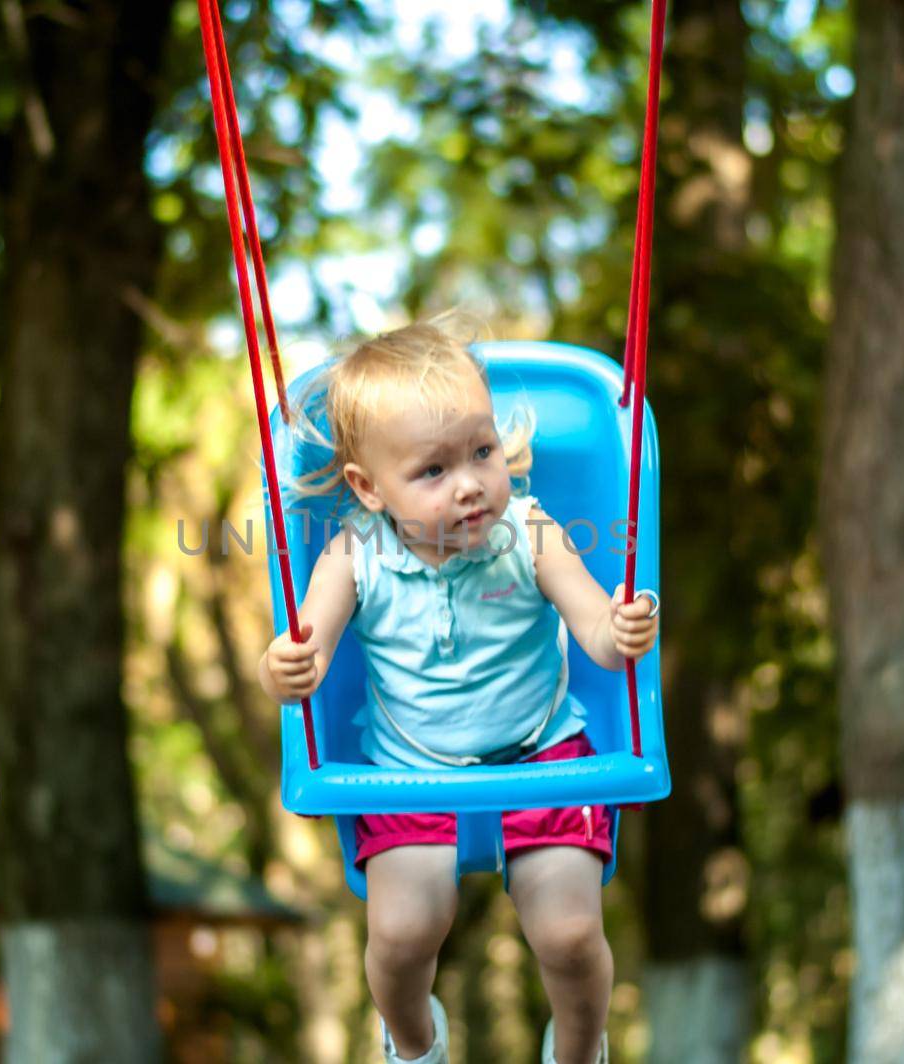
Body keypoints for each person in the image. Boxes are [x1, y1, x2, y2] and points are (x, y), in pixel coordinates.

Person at [257, 316, 659, 1064]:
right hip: (409, 769)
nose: (472, 484)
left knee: (570, 936)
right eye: (433, 471)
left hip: (541, 752)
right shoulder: (353, 556)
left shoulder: (531, 534)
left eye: (482, 451)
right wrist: (282, 668)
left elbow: (599, 635)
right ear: (369, 488)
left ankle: (577, 1049)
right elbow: (303, 651)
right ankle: (414, 1044)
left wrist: (624, 629)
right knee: (402, 938)